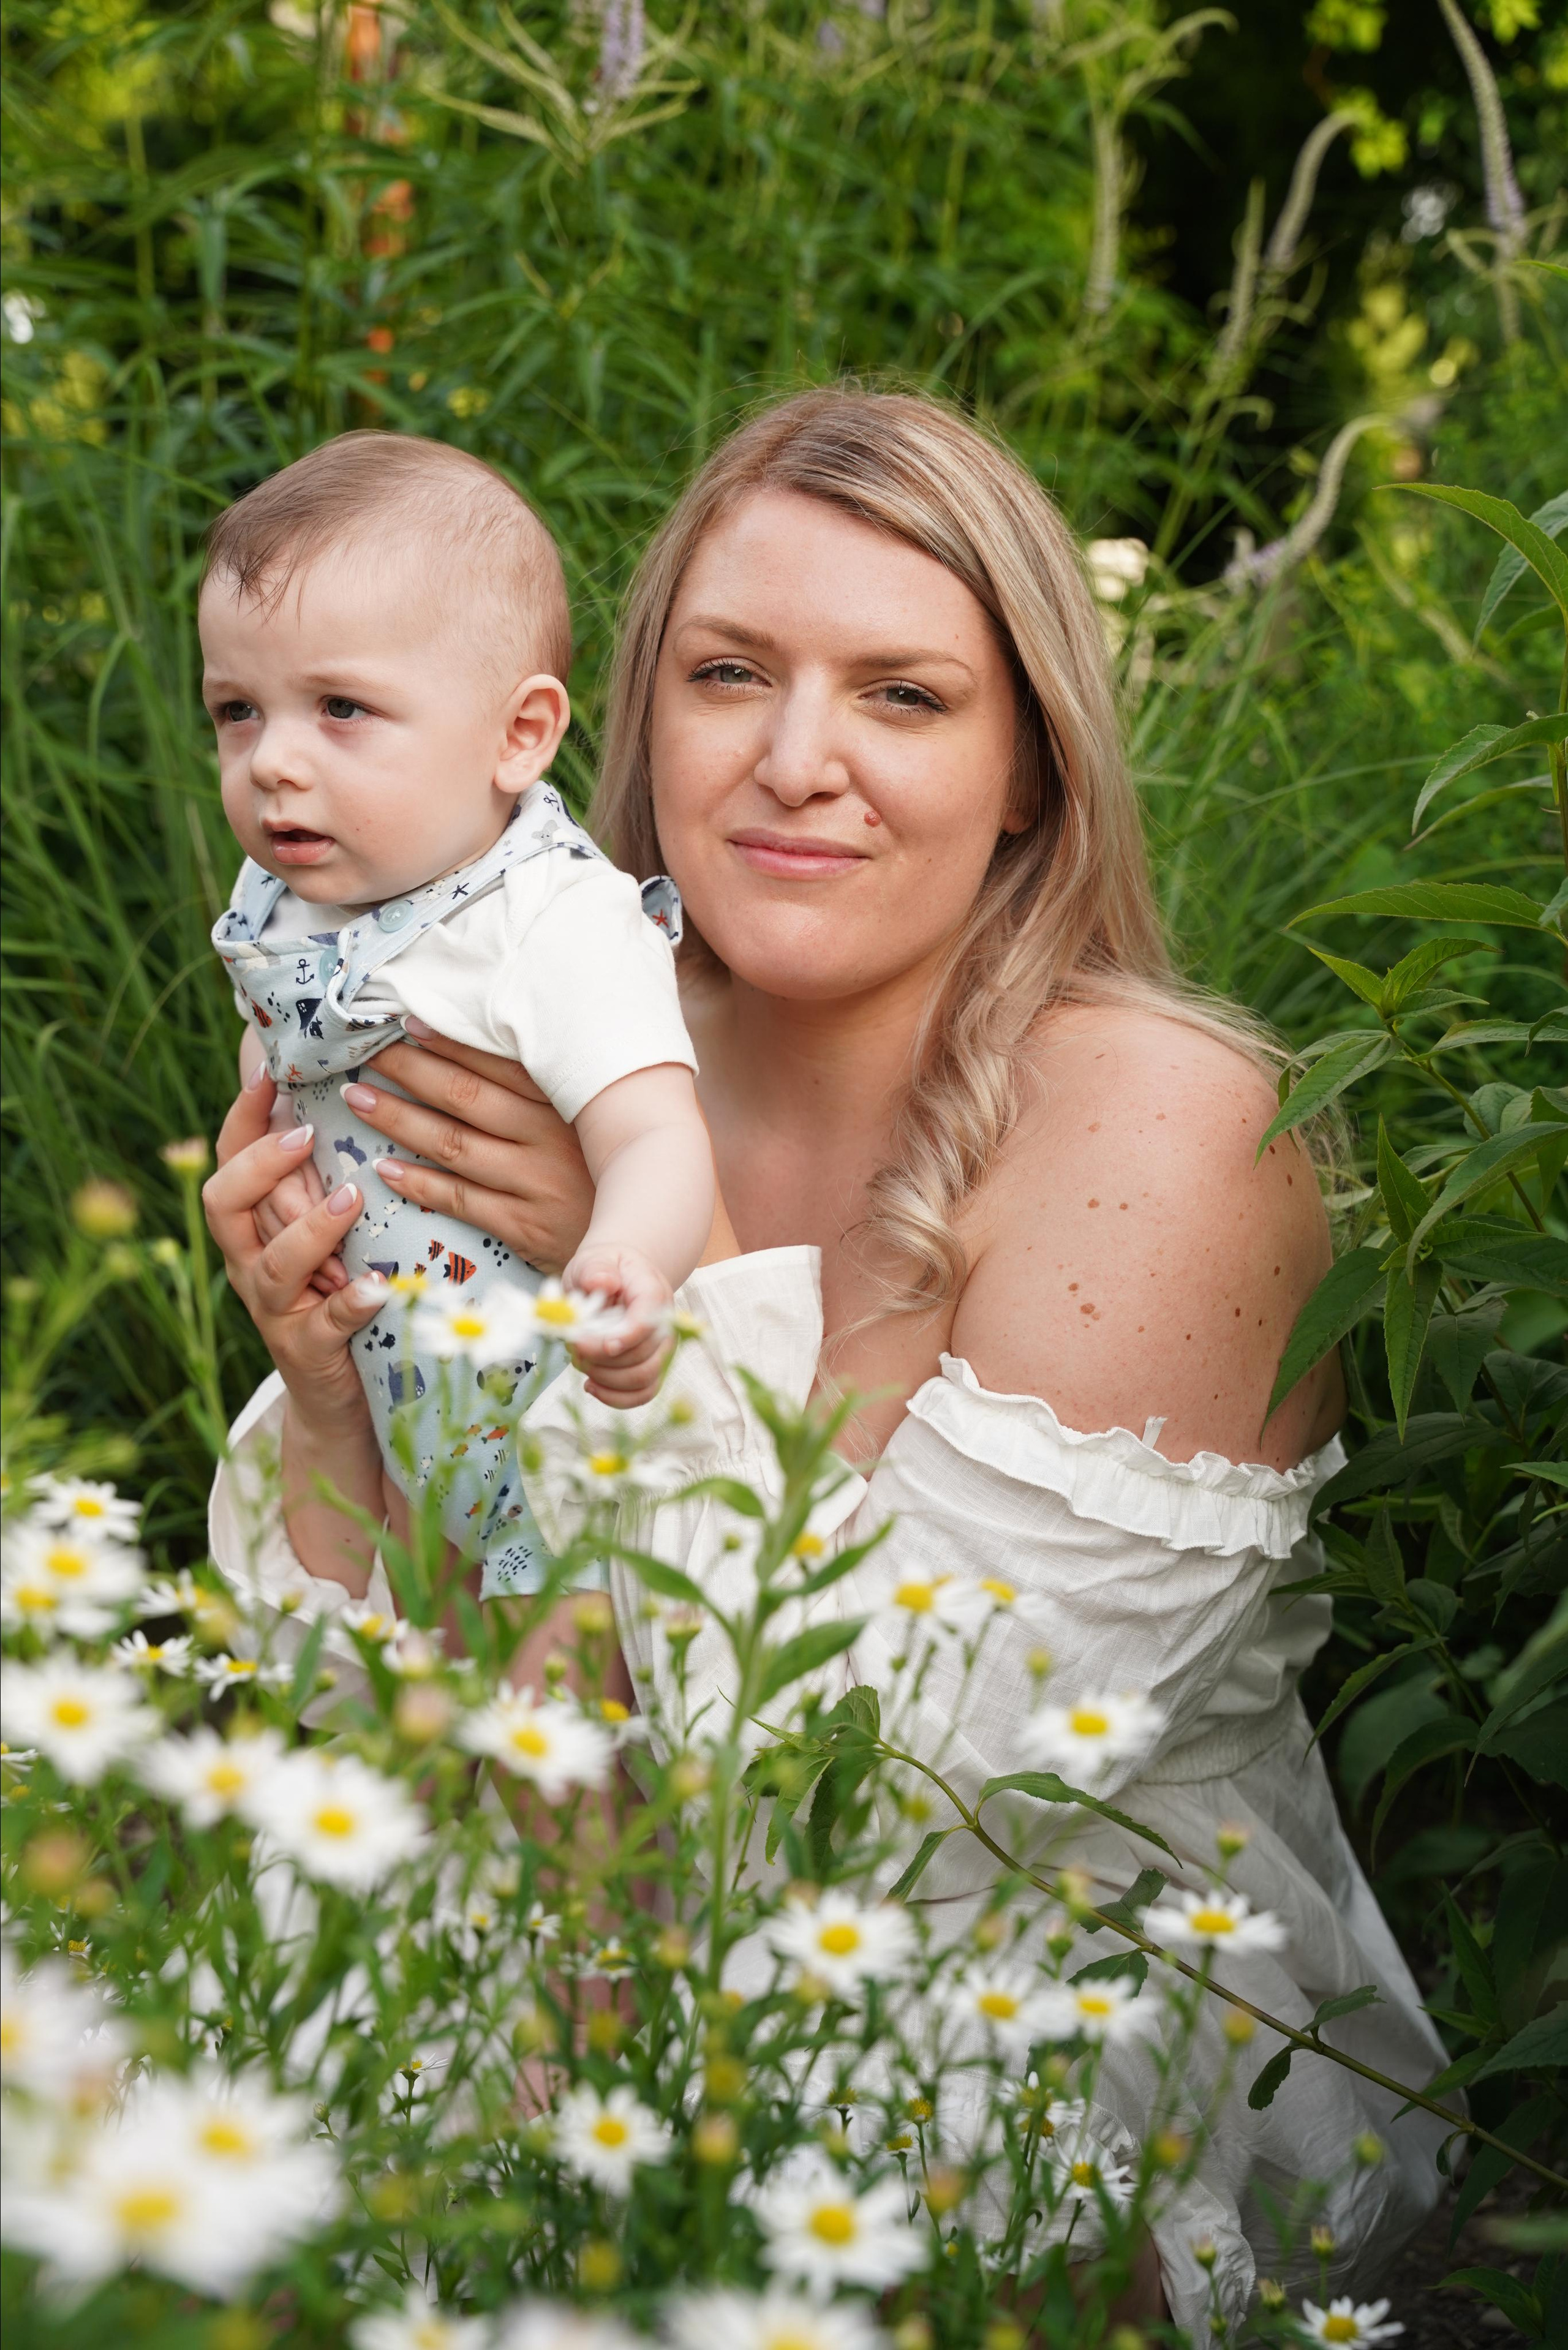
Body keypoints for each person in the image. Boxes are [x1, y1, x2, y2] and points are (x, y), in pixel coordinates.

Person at [203, 389, 1448, 2338]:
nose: (798, 763)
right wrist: (350, 1394)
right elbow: (391, 1714)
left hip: (1003, 1998)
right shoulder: (490, 1040)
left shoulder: (1172, 1133)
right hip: (558, 1904)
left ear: (1031, 764)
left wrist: (640, 1258)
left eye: (904, 695)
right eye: (729, 673)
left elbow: (890, 1789)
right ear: (612, 727)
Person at [201, 432, 714, 1596]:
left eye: (340, 707)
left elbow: (654, 1130)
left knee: (555, 1745)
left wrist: (630, 1258)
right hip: (386, 1396)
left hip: (560, 1429)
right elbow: (280, 1054)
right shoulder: (289, 904)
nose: (272, 760)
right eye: (237, 709)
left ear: (519, 735)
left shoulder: (552, 917)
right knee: (388, 1675)